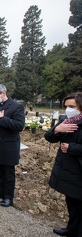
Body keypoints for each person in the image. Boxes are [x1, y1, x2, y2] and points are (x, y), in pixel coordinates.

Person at [44, 92, 82, 236]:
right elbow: (49, 137)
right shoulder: (66, 119)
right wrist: (56, 130)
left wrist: (71, 148)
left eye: (72, 106)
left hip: (79, 169)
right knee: (71, 201)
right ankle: (71, 228)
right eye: (66, 106)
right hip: (67, 168)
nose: (68, 110)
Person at [0, 84, 25, 207]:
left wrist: (2, 118)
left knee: (8, 173)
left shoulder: (16, 107)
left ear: (4, 93)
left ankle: (8, 197)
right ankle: (1, 192)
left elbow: (19, 126)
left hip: (8, 145)